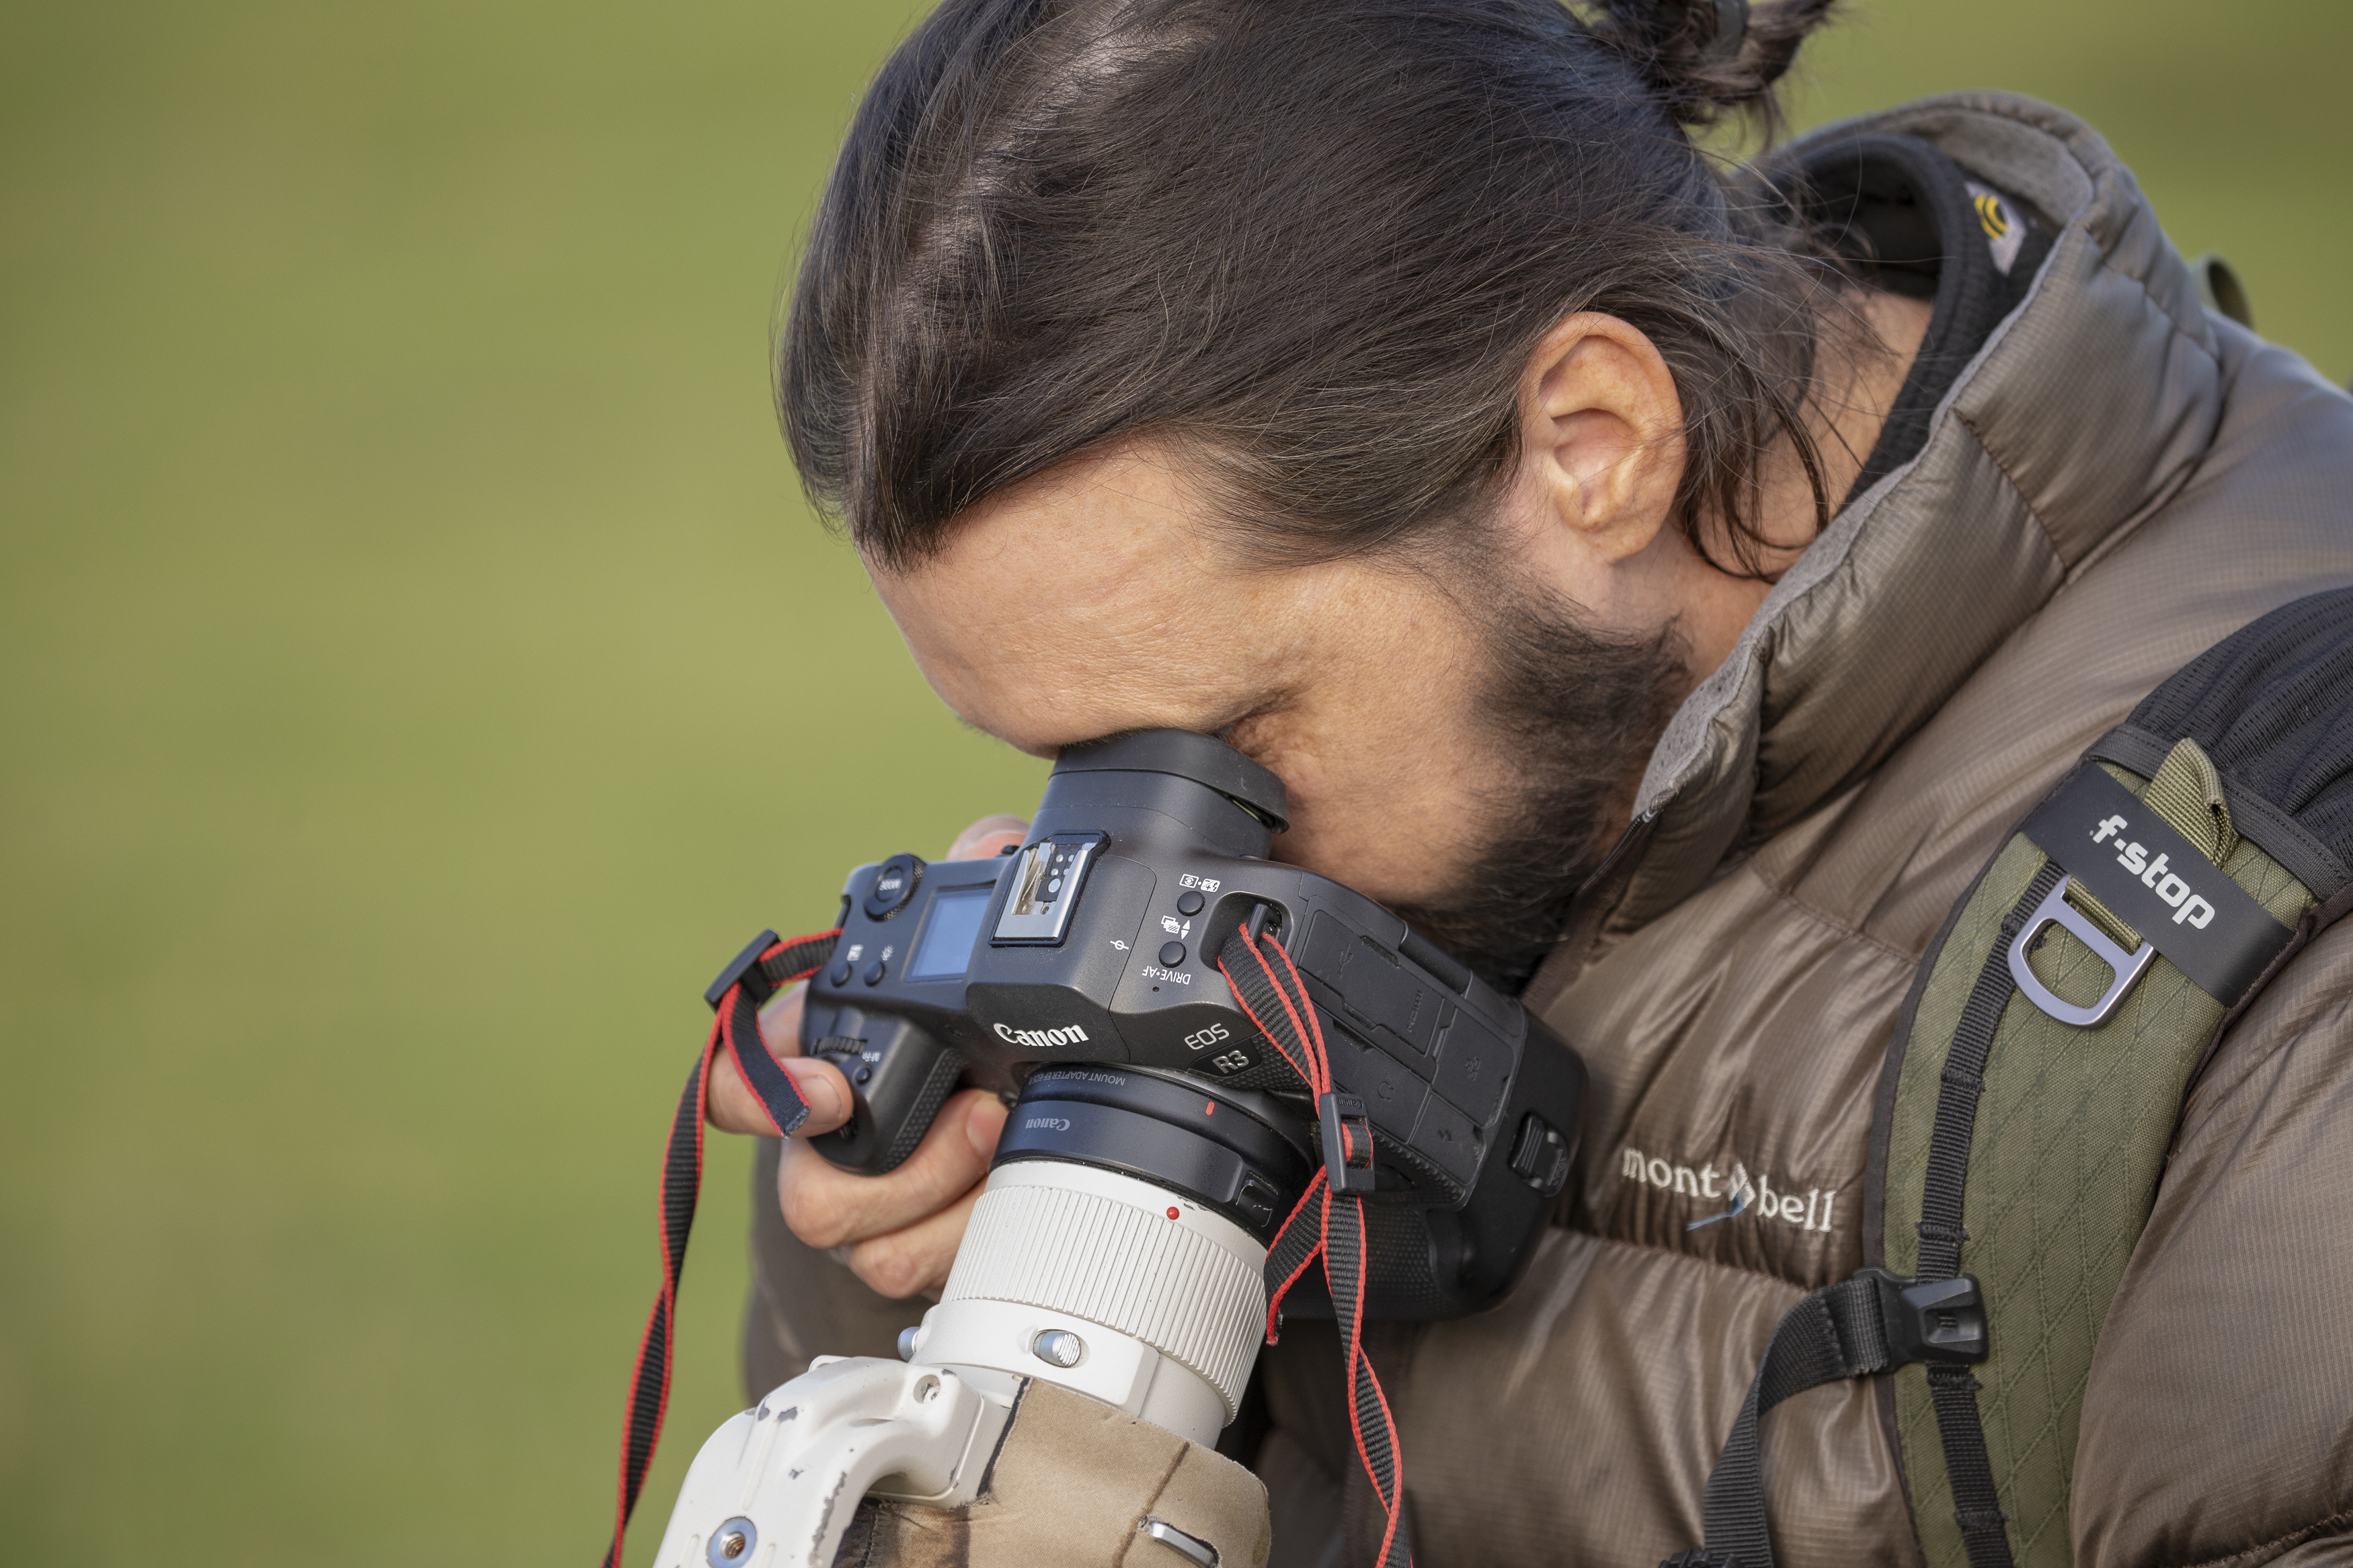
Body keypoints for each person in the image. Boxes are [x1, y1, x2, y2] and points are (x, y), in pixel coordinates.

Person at [702, 0, 2353, 1563]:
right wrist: (961, 1304)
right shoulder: (1518, 695)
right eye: (1085, 774)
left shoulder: (2286, 1027)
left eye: (1233, 750)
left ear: (1595, 440)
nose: (1150, 890)